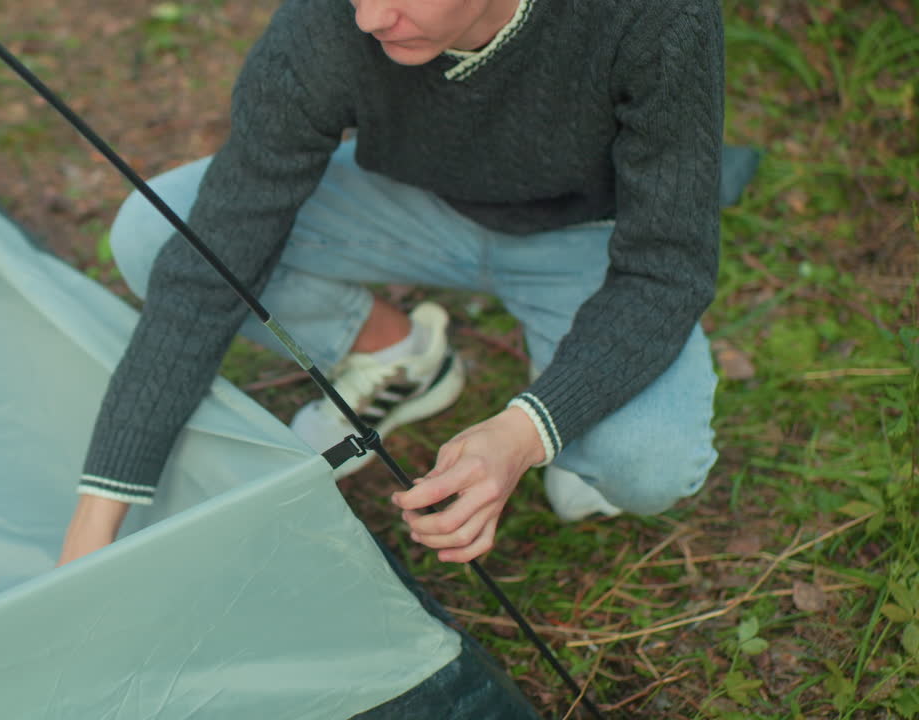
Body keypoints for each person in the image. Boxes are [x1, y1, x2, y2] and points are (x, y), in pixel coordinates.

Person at [58, 0, 726, 566]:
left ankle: (571, 432)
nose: (372, 17)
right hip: (414, 200)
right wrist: (94, 527)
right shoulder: (333, 20)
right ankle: (396, 353)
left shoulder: (655, 16)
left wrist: (528, 431)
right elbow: (214, 256)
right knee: (157, 232)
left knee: (646, 464)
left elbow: (667, 268)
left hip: (589, 237)